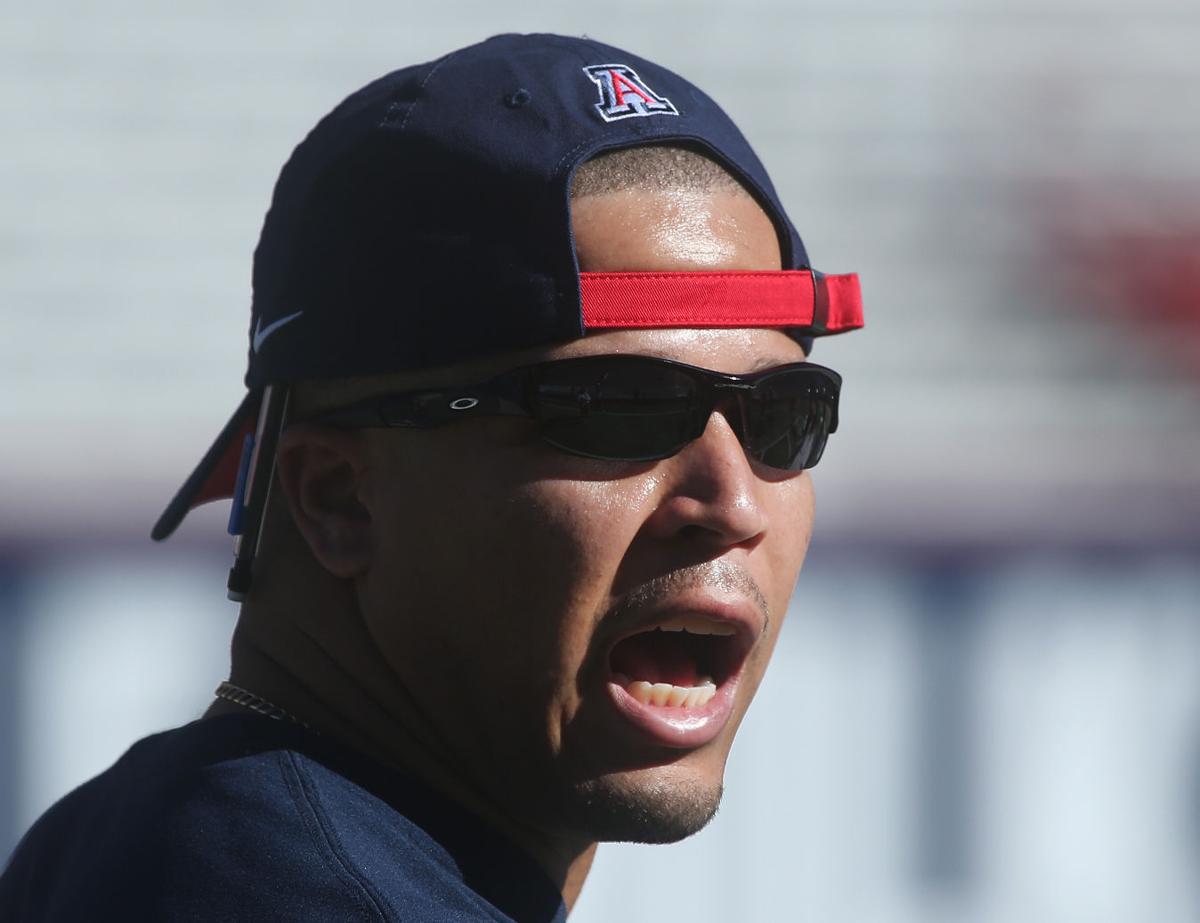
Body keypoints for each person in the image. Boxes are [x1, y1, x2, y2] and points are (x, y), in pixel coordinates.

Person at [0, 32, 862, 921]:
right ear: (339, 498)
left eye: (783, 416)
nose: (732, 501)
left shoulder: (130, 833)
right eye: (619, 409)